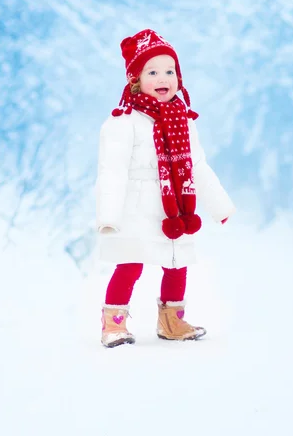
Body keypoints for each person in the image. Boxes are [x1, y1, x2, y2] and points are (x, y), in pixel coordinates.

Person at [95, 29, 236, 347]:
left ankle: (172, 321)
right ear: (135, 79)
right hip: (137, 206)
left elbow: (197, 166)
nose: (163, 77)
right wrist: (108, 215)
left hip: (176, 205)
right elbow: (112, 172)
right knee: (130, 263)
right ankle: (113, 323)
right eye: (153, 71)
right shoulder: (123, 123)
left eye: (170, 70)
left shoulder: (184, 121)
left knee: (177, 263)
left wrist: (220, 206)